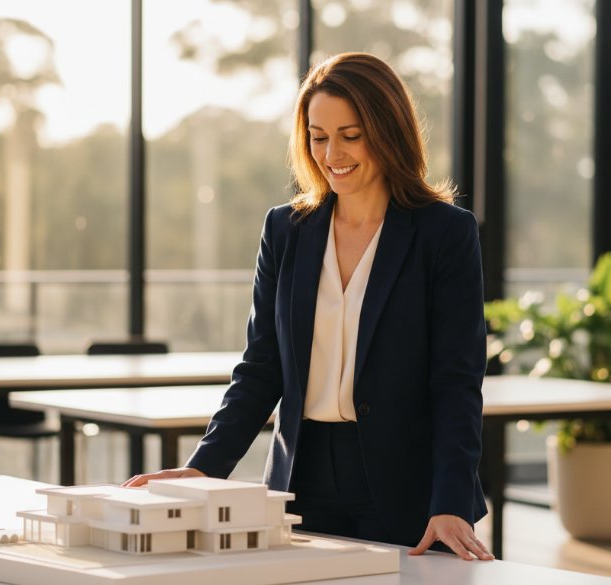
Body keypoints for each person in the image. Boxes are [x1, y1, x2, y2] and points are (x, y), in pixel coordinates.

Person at [123, 52, 492, 561]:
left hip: (410, 487)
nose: (332, 152)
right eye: (319, 136)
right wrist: (205, 468)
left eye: (351, 134)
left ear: (388, 131)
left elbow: (456, 379)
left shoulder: (445, 233)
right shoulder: (286, 230)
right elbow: (261, 367)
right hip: (303, 480)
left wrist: (451, 500)